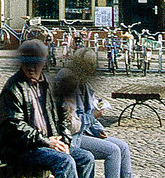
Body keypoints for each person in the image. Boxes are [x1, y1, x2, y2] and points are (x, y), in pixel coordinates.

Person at [0, 39, 95, 178]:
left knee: (86, 158)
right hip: (20, 148)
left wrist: (63, 141)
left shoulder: (49, 85)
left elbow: (63, 117)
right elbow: (13, 126)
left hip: (46, 142)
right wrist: (46, 142)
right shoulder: (13, 88)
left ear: (44, 62)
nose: (31, 67)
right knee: (65, 162)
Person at [55, 49, 134, 178]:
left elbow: (89, 109)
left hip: (86, 132)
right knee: (113, 151)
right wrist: (93, 116)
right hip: (72, 137)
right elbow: (71, 124)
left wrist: (98, 129)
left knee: (123, 147)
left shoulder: (84, 83)